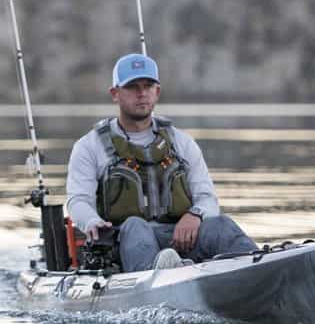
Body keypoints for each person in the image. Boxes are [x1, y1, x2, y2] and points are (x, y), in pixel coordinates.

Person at [66, 53, 257, 271]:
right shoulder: (89, 146)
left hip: (180, 236)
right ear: (115, 94)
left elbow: (207, 199)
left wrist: (195, 215)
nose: (142, 94)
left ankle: (257, 267)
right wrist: (91, 221)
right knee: (135, 225)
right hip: (123, 243)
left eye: (148, 86)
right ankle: (161, 272)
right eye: (132, 87)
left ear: (157, 92)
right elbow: (78, 201)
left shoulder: (182, 142)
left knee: (221, 224)